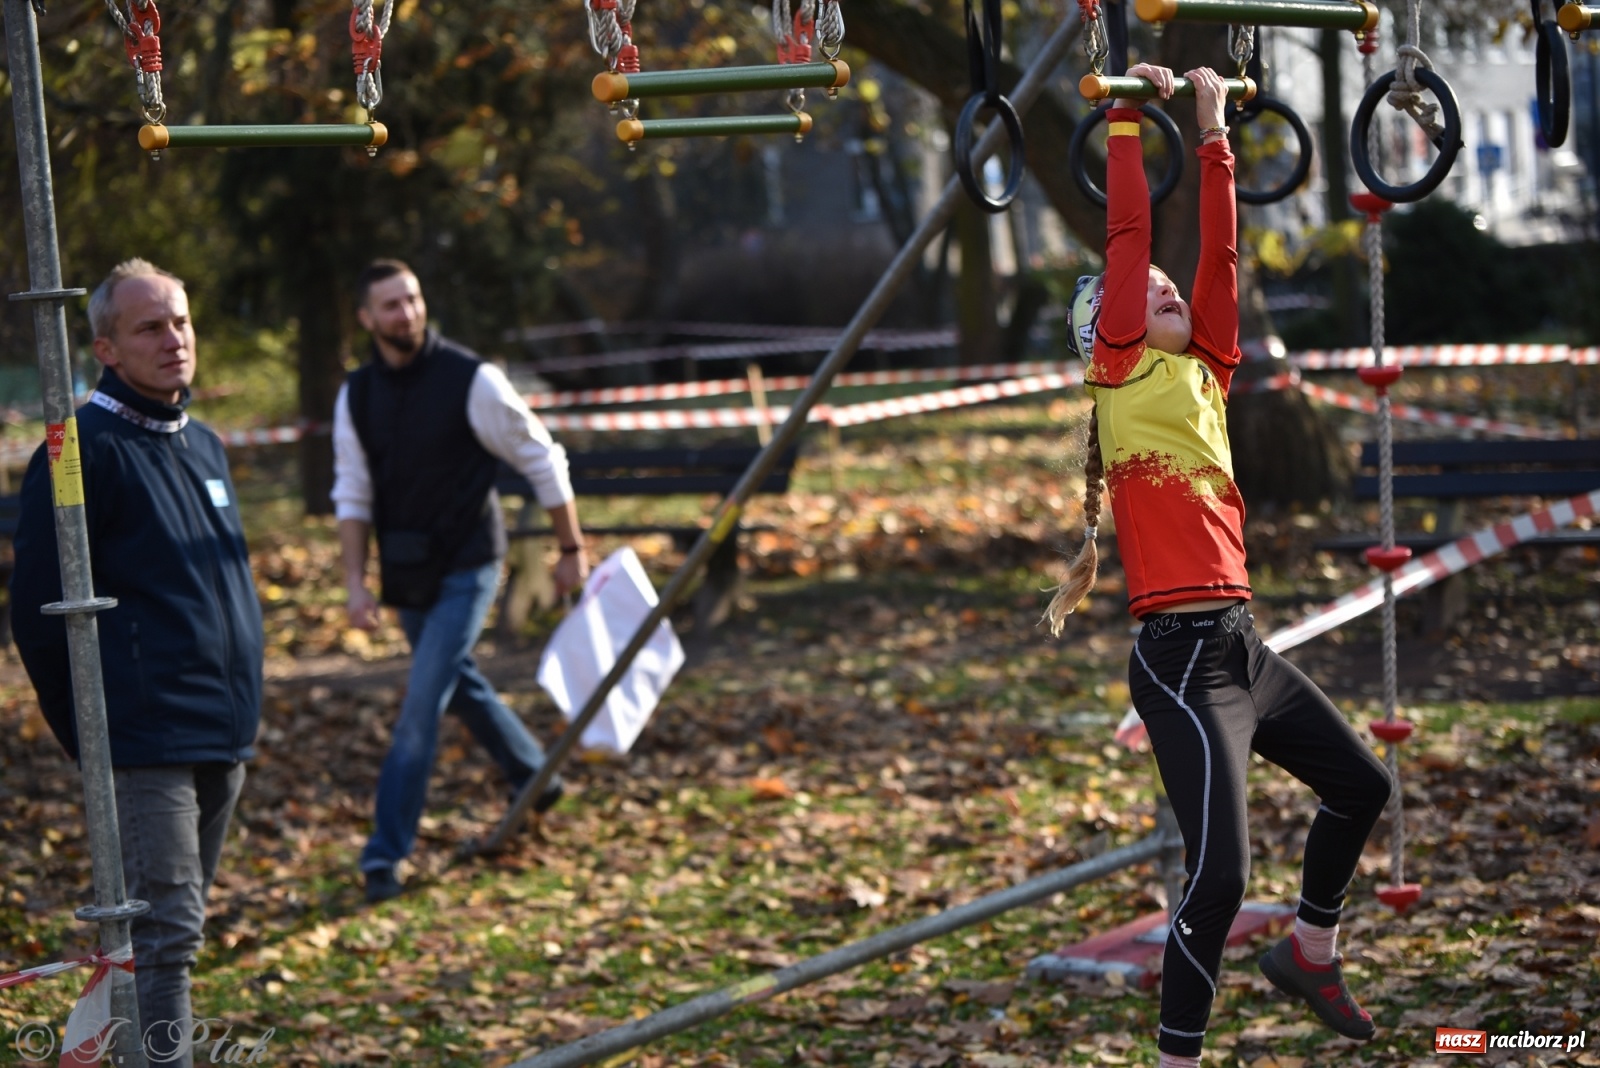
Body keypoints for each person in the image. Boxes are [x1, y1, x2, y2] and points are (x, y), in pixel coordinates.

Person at [1044, 66, 1396, 1067]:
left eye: (1164, 289)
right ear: (1102, 332)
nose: (1161, 287)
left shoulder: (1206, 367)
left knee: (1360, 786)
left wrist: (1210, 129)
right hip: (1176, 658)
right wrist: (1121, 120)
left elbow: (1220, 254)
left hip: (1242, 646)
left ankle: (1311, 952)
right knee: (1219, 879)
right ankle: (1176, 1058)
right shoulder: (1120, 370)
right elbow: (1127, 241)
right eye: (1142, 291)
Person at [11, 259, 265, 1068]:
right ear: (106, 348)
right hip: (144, 741)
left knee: (167, 936)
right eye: (150, 327)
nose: (174, 339)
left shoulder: (207, 445)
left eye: (181, 322)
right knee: (166, 940)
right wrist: (94, 735)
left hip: (223, 735)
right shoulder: (78, 448)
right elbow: (40, 616)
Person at [333, 259, 589, 904]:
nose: (406, 313)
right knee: (459, 682)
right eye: (390, 304)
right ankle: (535, 774)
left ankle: (383, 856)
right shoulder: (356, 394)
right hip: (406, 572)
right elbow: (353, 493)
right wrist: (355, 583)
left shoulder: (473, 379)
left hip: (470, 564)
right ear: (367, 318)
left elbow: (541, 456)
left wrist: (570, 547)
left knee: (422, 707)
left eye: (413, 299)